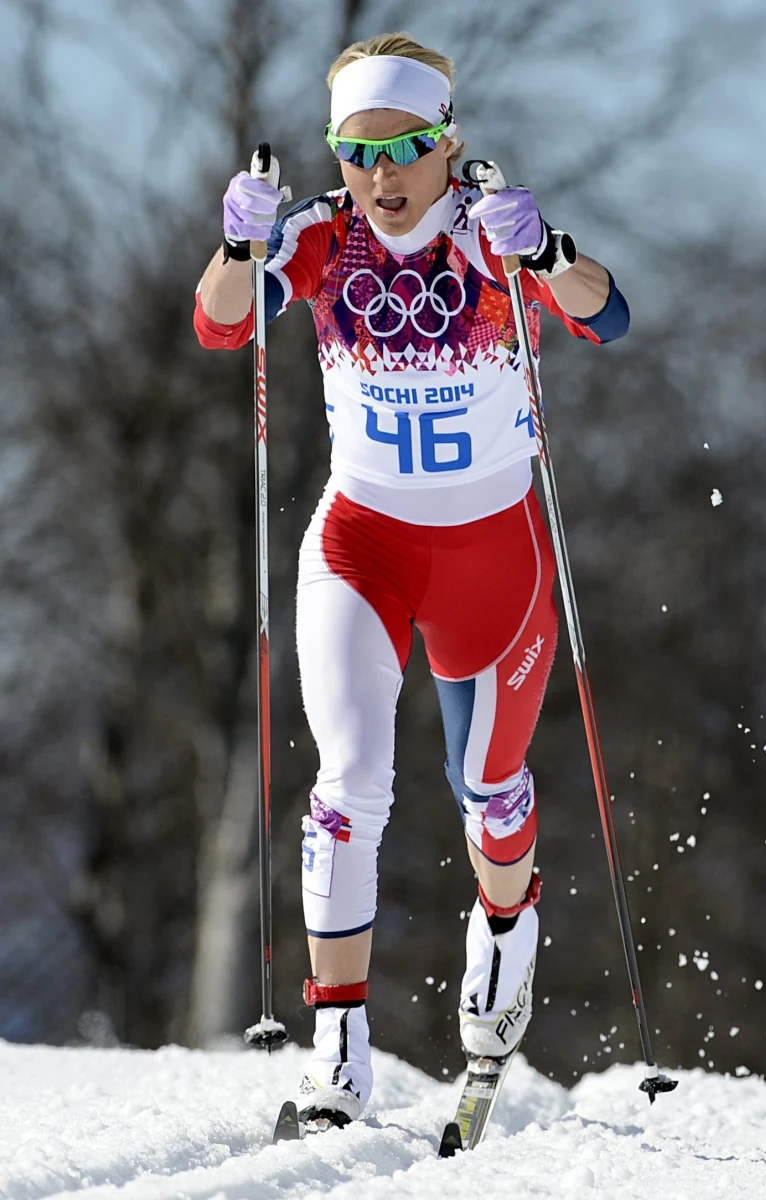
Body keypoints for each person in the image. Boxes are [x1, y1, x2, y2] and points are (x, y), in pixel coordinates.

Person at [194, 31, 629, 1127]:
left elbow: (605, 312)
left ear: (448, 144)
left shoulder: (490, 239)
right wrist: (236, 247)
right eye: (356, 153)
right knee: (347, 791)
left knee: (490, 787)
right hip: (362, 546)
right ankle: (336, 1048)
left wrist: (547, 251)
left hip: (492, 554)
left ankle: (506, 923)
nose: (381, 179)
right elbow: (217, 323)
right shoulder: (322, 238)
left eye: (405, 149)